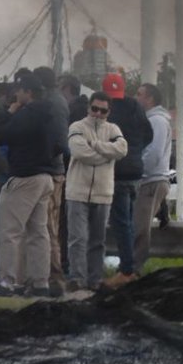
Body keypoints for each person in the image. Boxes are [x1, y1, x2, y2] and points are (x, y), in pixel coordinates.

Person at [0, 72, 62, 296]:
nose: (16, 94)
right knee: (38, 231)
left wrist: (8, 113)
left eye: (19, 91)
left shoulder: (27, 114)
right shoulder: (51, 113)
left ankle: (5, 281)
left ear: (28, 93)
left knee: (8, 231)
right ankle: (40, 282)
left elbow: (0, 136)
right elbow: (60, 144)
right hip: (45, 177)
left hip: (24, 177)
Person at [64, 91, 127, 291]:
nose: (97, 114)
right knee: (78, 238)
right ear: (88, 108)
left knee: (98, 240)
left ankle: (95, 279)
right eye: (94, 109)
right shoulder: (77, 127)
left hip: (103, 193)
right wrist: (107, 154)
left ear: (109, 111)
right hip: (77, 191)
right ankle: (77, 278)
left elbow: (122, 149)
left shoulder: (113, 128)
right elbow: (79, 152)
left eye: (103, 110)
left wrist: (97, 145)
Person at [102, 72, 153, 288]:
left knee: (121, 223)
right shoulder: (136, 107)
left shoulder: (107, 110)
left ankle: (126, 271)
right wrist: (136, 151)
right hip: (135, 172)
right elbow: (148, 134)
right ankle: (129, 265)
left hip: (118, 172)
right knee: (129, 222)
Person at [33, 66, 70, 297]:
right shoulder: (58, 101)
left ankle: (54, 277)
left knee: (48, 227)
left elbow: (58, 140)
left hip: (52, 172)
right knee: (48, 226)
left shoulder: (52, 104)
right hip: (55, 170)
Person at [131, 83, 172, 276]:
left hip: (150, 180)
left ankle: (134, 270)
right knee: (137, 224)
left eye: (139, 94)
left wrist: (138, 170)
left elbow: (154, 152)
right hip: (152, 180)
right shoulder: (152, 119)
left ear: (150, 99)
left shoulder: (156, 121)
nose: (135, 97)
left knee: (140, 227)